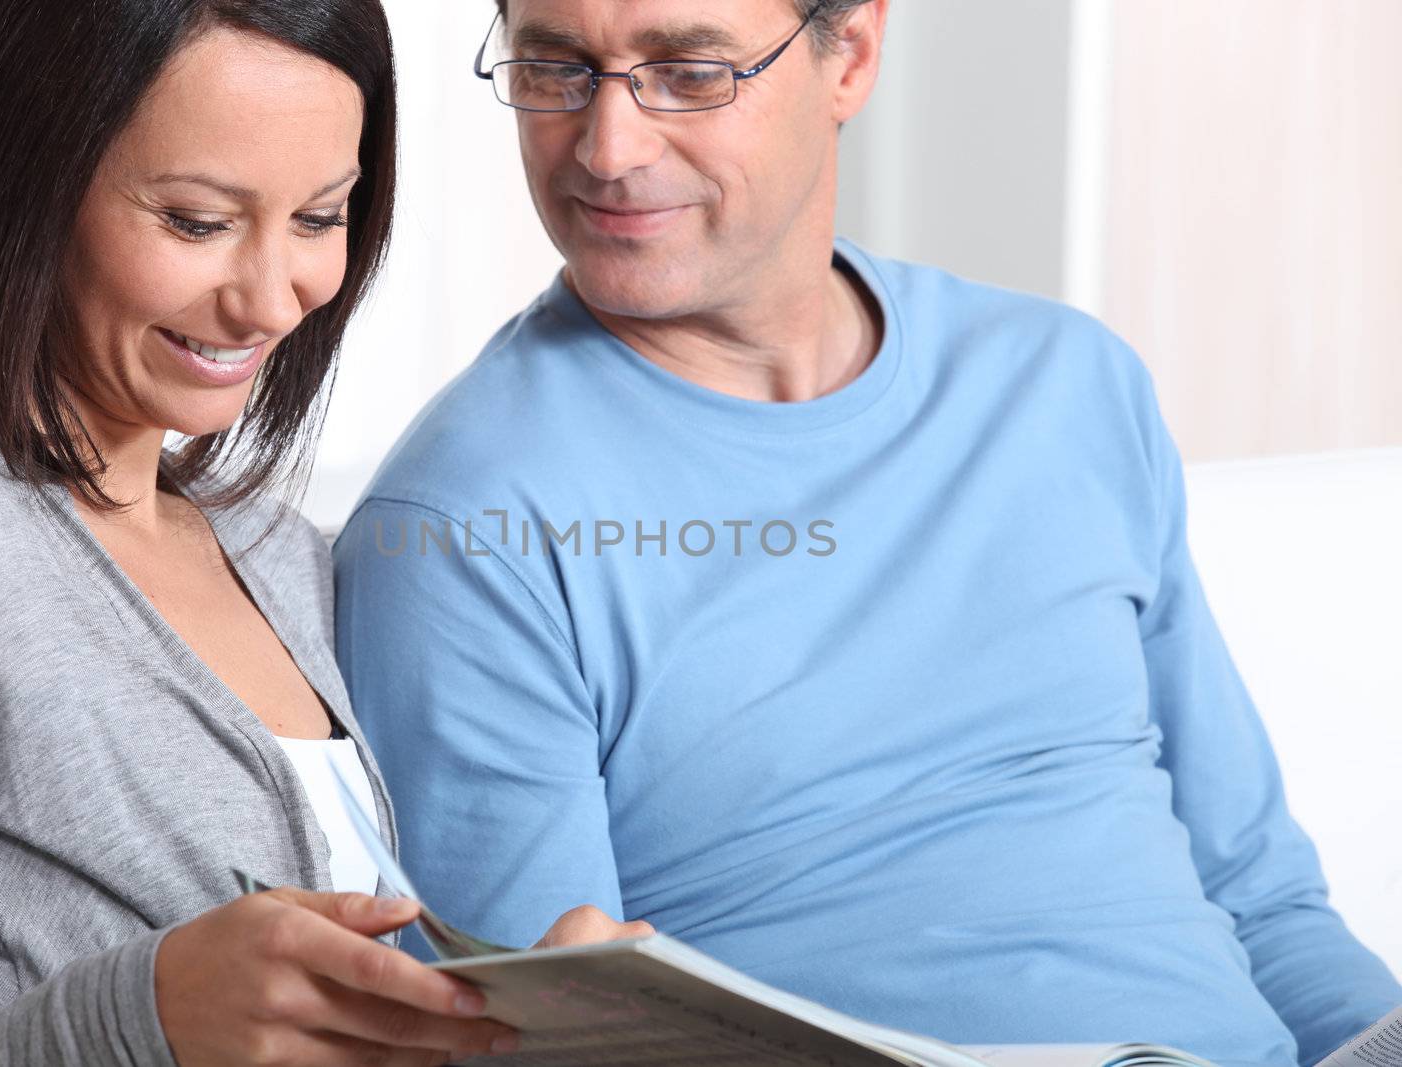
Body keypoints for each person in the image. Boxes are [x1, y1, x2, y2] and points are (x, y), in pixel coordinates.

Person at [331, 2, 1402, 1065]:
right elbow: (546, 1034)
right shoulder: (459, 528)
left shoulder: (1066, 383)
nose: (608, 147)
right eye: (557, 67)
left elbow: (1262, 896)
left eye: (690, 72)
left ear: (849, 53)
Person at [0, 2, 645, 1064]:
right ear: (15, 187)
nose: (267, 299)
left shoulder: (274, 550)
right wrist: (134, 1018)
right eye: (198, 221)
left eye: (320, 217)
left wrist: (525, 1012)